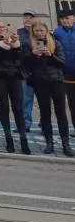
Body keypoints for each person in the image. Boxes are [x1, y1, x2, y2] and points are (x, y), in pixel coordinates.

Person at [22, 18, 72, 156]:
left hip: (56, 80)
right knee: (45, 112)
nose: (39, 34)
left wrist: (50, 55)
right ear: (33, 31)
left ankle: (65, 143)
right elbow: (24, 62)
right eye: (36, 31)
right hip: (39, 81)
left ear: (46, 30)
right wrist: (34, 54)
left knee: (61, 113)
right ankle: (49, 142)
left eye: (42, 31)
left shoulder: (55, 42)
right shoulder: (28, 43)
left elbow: (62, 62)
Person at [0, 17, 30, 154]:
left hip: (14, 76)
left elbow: (20, 56)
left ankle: (23, 139)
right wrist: (4, 45)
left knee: (18, 108)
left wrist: (16, 43)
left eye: (3, 27)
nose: (2, 29)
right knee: (4, 107)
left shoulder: (10, 38)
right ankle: (8, 138)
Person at [54, 8, 75, 139]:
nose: (64, 21)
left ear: (73, 18)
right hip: (66, 72)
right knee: (72, 102)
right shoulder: (57, 32)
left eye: (67, 18)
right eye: (62, 19)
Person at [17, 9, 37, 131]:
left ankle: (44, 124)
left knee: (43, 100)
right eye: (25, 17)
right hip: (24, 71)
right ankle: (25, 123)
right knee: (25, 98)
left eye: (30, 17)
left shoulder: (40, 31)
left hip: (39, 70)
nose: (27, 19)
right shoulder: (19, 33)